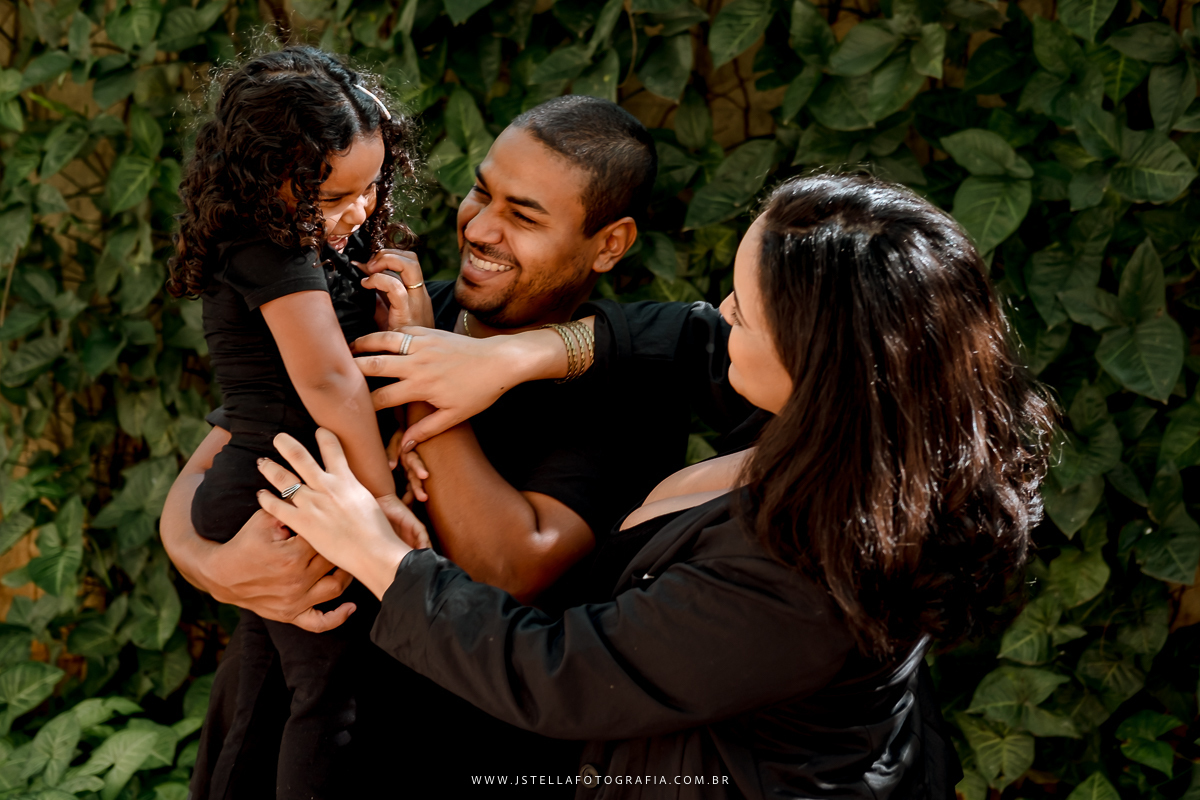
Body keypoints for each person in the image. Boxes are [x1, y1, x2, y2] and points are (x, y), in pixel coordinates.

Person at [255, 173, 1055, 798]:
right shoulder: (865, 424)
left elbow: (566, 674)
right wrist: (519, 357)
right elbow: (681, 338)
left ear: (825, 366)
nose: (723, 310)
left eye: (748, 314)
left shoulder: (812, 567)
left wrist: (379, 555)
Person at [161, 95, 756, 794]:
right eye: (482, 191)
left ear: (610, 243)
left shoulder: (626, 388)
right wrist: (212, 566)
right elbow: (223, 452)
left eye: (524, 215)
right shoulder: (393, 301)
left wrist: (419, 375)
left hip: (448, 751)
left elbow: (509, 565)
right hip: (275, 723)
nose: (481, 227)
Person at [164, 46, 428, 800]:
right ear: (261, 178)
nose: (361, 210)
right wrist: (379, 501)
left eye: (373, 186)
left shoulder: (309, 248)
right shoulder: (268, 247)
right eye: (332, 195)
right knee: (329, 701)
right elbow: (329, 379)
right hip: (278, 489)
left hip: (268, 482)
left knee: (268, 688)